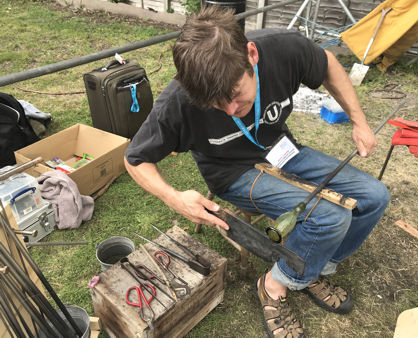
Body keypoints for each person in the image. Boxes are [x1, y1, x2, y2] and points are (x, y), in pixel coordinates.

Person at [125, 6, 390, 337]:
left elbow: (328, 65)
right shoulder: (177, 101)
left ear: (251, 54)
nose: (231, 111)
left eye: (235, 96)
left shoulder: (282, 48)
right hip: (232, 172)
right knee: (331, 217)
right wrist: (173, 197)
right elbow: (135, 158)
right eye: (217, 106)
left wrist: (359, 121)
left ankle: (310, 264)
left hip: (282, 151)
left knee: (375, 197)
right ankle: (274, 284)